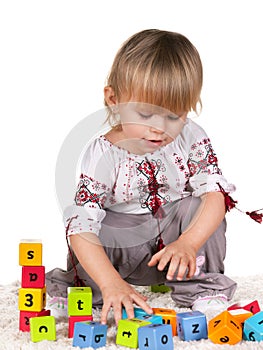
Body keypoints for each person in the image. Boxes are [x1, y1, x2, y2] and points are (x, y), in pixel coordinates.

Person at [46, 29, 237, 325]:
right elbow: (81, 227)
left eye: (174, 116)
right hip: (121, 254)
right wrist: (111, 282)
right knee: (86, 227)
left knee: (204, 204)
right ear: (113, 99)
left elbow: (215, 196)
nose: (159, 128)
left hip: (174, 254)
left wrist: (188, 242)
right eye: (146, 115)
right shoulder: (103, 154)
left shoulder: (191, 137)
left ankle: (203, 288)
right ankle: (79, 288)